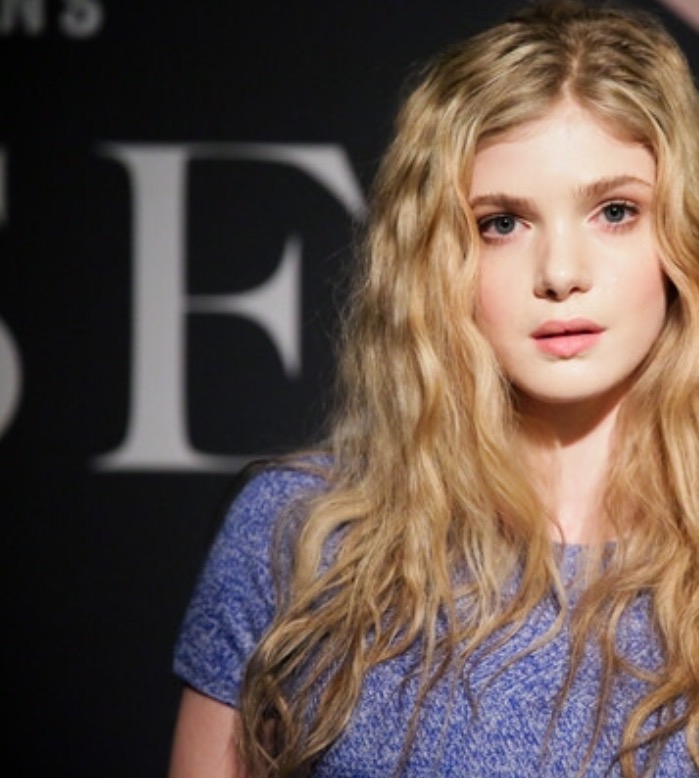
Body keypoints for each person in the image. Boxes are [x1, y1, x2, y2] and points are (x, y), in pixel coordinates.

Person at [167, 1, 699, 775]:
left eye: (614, 211)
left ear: (680, 229)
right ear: (434, 258)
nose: (560, 273)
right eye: (500, 224)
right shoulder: (301, 539)